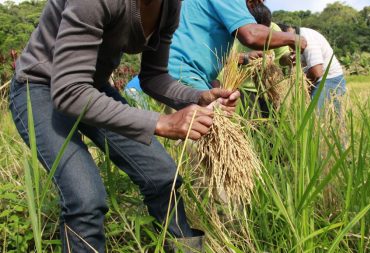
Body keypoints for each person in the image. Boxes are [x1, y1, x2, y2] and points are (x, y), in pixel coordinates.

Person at [9, 0, 240, 252]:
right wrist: (160, 122)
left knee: (163, 176)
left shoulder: (171, 6)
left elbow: (155, 76)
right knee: (85, 198)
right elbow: (70, 91)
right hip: (40, 87)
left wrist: (197, 96)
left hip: (92, 88)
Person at [168, 0, 307, 91]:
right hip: (183, 73)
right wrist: (292, 38)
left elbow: (206, 49)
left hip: (181, 73)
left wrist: (245, 58)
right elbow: (251, 35)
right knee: (208, 125)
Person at [278, 24, 346, 113]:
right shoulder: (294, 40)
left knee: (316, 118)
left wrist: (299, 84)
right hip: (317, 81)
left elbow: (317, 72)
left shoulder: (307, 39)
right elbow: (282, 62)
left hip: (328, 80)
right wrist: (289, 57)